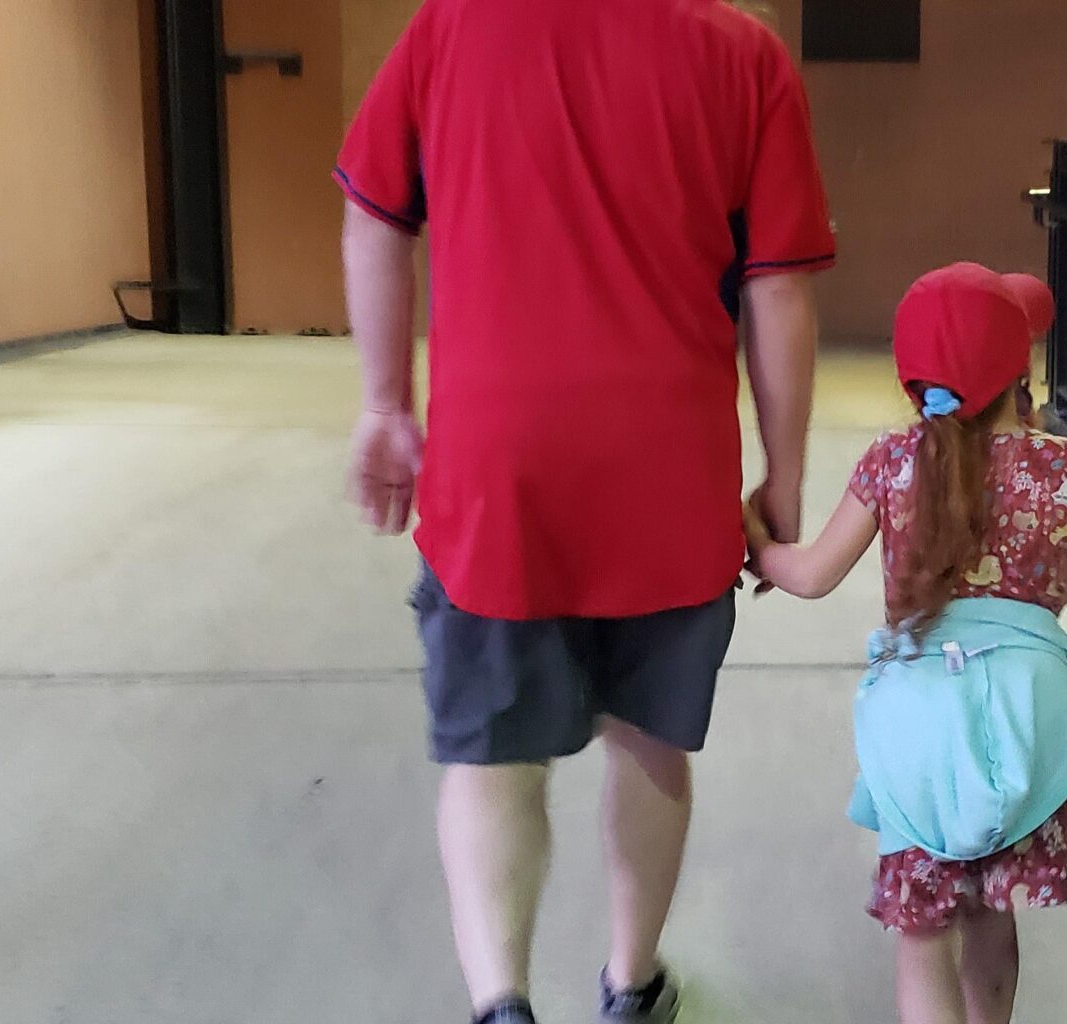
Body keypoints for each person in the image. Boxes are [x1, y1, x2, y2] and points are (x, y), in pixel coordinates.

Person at [334, 1, 833, 1021]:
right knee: (649, 740)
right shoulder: (742, 55)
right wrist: (783, 475)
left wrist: (385, 404)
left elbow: (374, 215)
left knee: (491, 757)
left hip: (499, 473)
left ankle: (502, 1004)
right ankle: (631, 983)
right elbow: (778, 290)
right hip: (670, 474)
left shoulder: (452, 29)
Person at [744, 263, 1067, 1024]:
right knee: (991, 915)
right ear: (1019, 372)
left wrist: (755, 538)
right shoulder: (1064, 468)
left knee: (922, 934)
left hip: (919, 733)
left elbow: (809, 576)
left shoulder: (892, 461)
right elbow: (1063, 587)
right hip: (1028, 724)